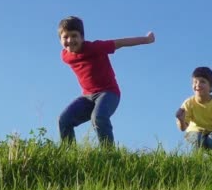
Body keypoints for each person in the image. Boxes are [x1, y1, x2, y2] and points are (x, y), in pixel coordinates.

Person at [57, 16, 155, 146]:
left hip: (109, 93)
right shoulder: (65, 56)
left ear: (82, 37)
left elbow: (121, 43)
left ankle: (108, 154)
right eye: (65, 37)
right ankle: (68, 154)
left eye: (74, 36)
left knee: (98, 117)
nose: (70, 40)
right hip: (87, 97)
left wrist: (146, 39)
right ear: (60, 40)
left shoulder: (95, 47)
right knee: (64, 119)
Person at [175, 67, 212, 150]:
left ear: (211, 87)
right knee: (197, 139)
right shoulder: (188, 103)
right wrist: (181, 120)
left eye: (203, 82)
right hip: (194, 131)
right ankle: (198, 160)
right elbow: (183, 128)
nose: (198, 84)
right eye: (195, 82)